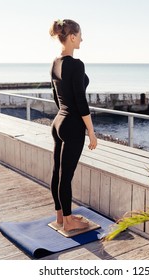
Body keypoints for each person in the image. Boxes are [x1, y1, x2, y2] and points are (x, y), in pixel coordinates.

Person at [49, 19, 97, 232]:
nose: (82, 39)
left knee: (57, 172)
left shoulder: (55, 63)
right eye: (80, 35)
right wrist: (91, 132)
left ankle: (61, 216)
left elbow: (56, 97)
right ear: (72, 37)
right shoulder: (76, 65)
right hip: (72, 126)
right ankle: (68, 222)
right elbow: (81, 101)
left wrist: (64, 114)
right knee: (66, 176)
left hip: (58, 122)